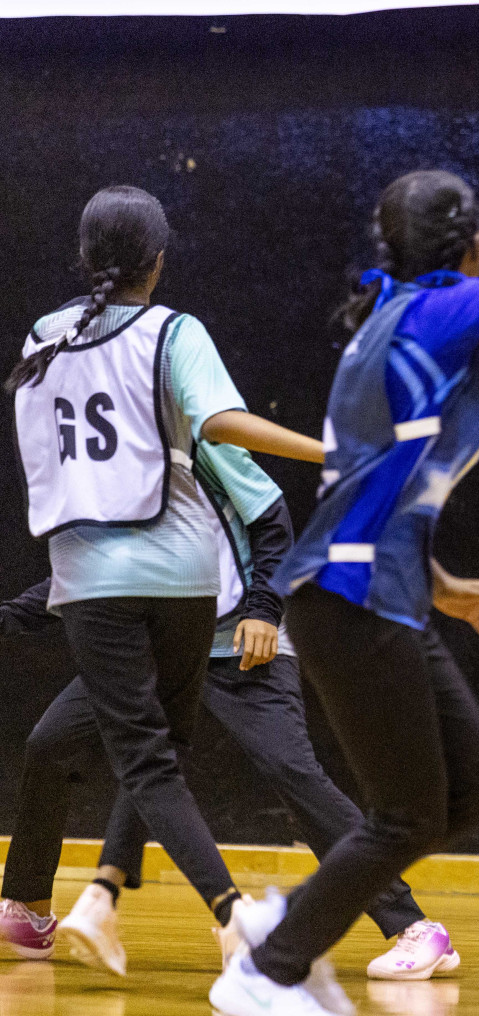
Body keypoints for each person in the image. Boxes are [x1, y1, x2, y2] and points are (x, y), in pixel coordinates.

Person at [209, 95, 479, 1016]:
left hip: (383, 588)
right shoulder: (437, 314)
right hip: (348, 596)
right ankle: (266, 971)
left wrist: (441, 583)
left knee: (469, 788)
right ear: (473, 249)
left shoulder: (389, 322)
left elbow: (368, 478)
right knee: (407, 812)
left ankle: (289, 922)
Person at [0, 437, 479, 981]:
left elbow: (273, 524)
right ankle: (27, 909)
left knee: (291, 769)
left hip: (240, 647)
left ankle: (414, 926)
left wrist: (265, 610)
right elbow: (93, 577)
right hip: (156, 650)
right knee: (51, 744)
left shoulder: (204, 443)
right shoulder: (114, 475)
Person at [2, 185, 326, 976]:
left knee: (147, 762)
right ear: (158, 260)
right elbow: (219, 424)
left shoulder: (44, 336)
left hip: (90, 576)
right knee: (152, 754)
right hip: (188, 576)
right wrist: (333, 453)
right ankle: (91, 899)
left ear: (85, 258)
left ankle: (225, 915)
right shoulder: (174, 330)